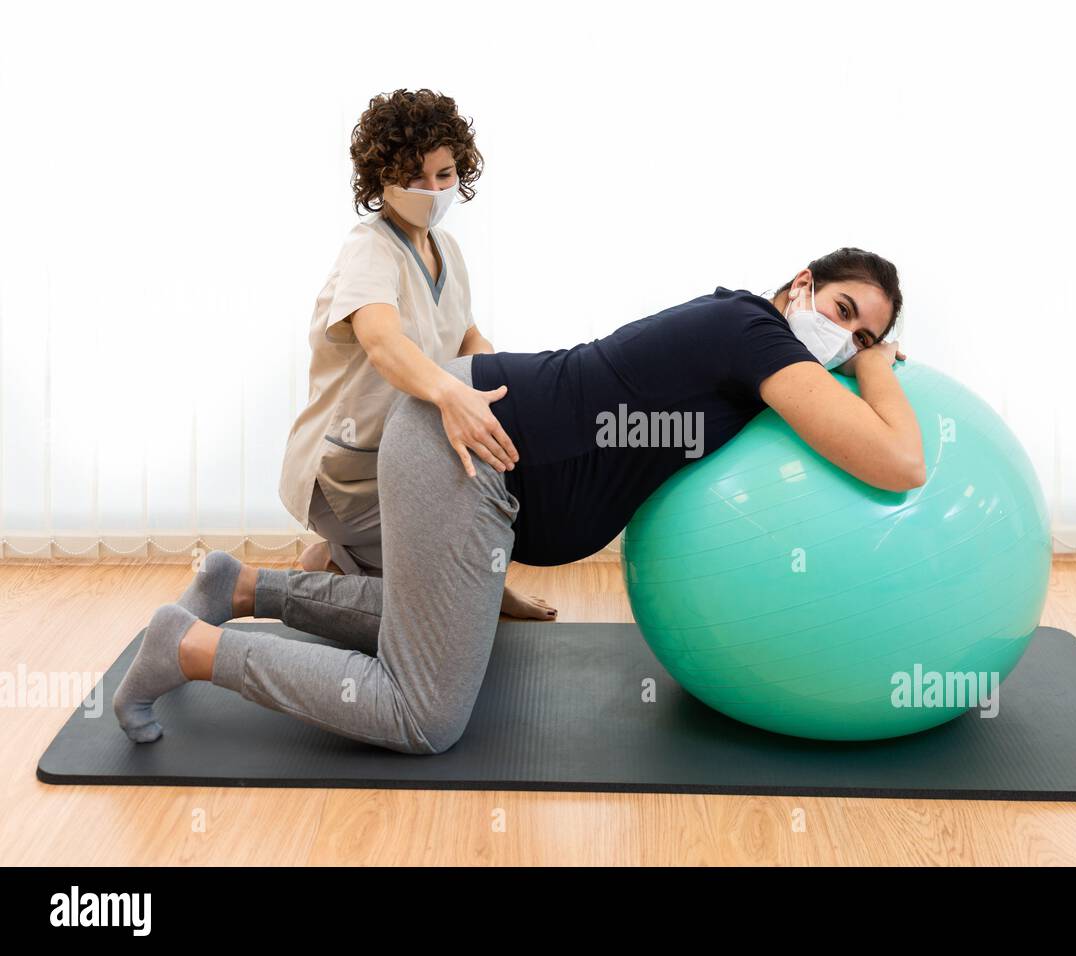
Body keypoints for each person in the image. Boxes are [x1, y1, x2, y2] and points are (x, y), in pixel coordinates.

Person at [113, 249, 924, 755]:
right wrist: (879, 365)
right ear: (801, 284)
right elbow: (898, 463)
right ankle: (188, 649)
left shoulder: (752, 349)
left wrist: (856, 353)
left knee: (450, 642)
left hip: (476, 460)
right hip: (466, 448)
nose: (842, 340)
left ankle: (244, 588)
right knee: (422, 716)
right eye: (842, 313)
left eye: (859, 338)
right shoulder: (756, 335)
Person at [281, 86, 554, 620]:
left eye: (444, 175)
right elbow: (383, 341)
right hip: (346, 474)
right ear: (381, 177)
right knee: (446, 588)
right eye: (414, 177)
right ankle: (324, 571)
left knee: (496, 485)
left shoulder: (445, 248)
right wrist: (452, 394)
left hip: (401, 458)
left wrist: (498, 383)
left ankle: (339, 561)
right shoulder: (370, 249)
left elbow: (467, 335)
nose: (432, 190)